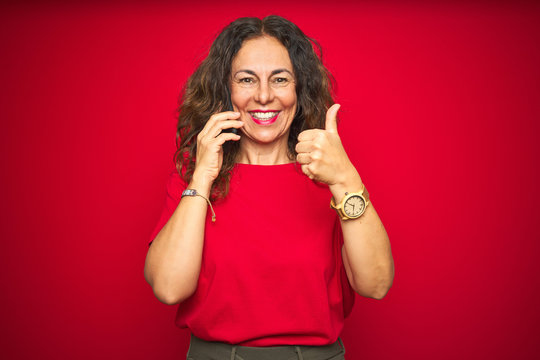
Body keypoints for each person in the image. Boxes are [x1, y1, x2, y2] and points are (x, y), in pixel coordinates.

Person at [144, 15, 394, 360]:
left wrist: (346, 179)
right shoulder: (195, 175)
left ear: (299, 89)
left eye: (280, 79)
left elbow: (376, 284)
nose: (264, 96)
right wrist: (202, 176)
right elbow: (169, 288)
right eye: (247, 79)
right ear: (225, 90)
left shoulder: (331, 176)